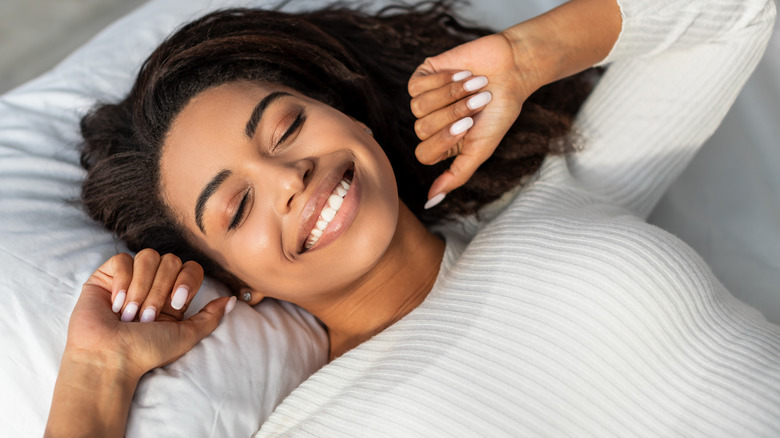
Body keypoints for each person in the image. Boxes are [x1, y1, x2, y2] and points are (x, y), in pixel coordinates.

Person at [46, 0, 779, 436]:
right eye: (238, 207)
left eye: (288, 126)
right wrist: (93, 376)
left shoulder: (560, 195)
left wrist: (529, 53)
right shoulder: (315, 427)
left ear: (352, 115)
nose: (289, 177)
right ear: (236, 282)